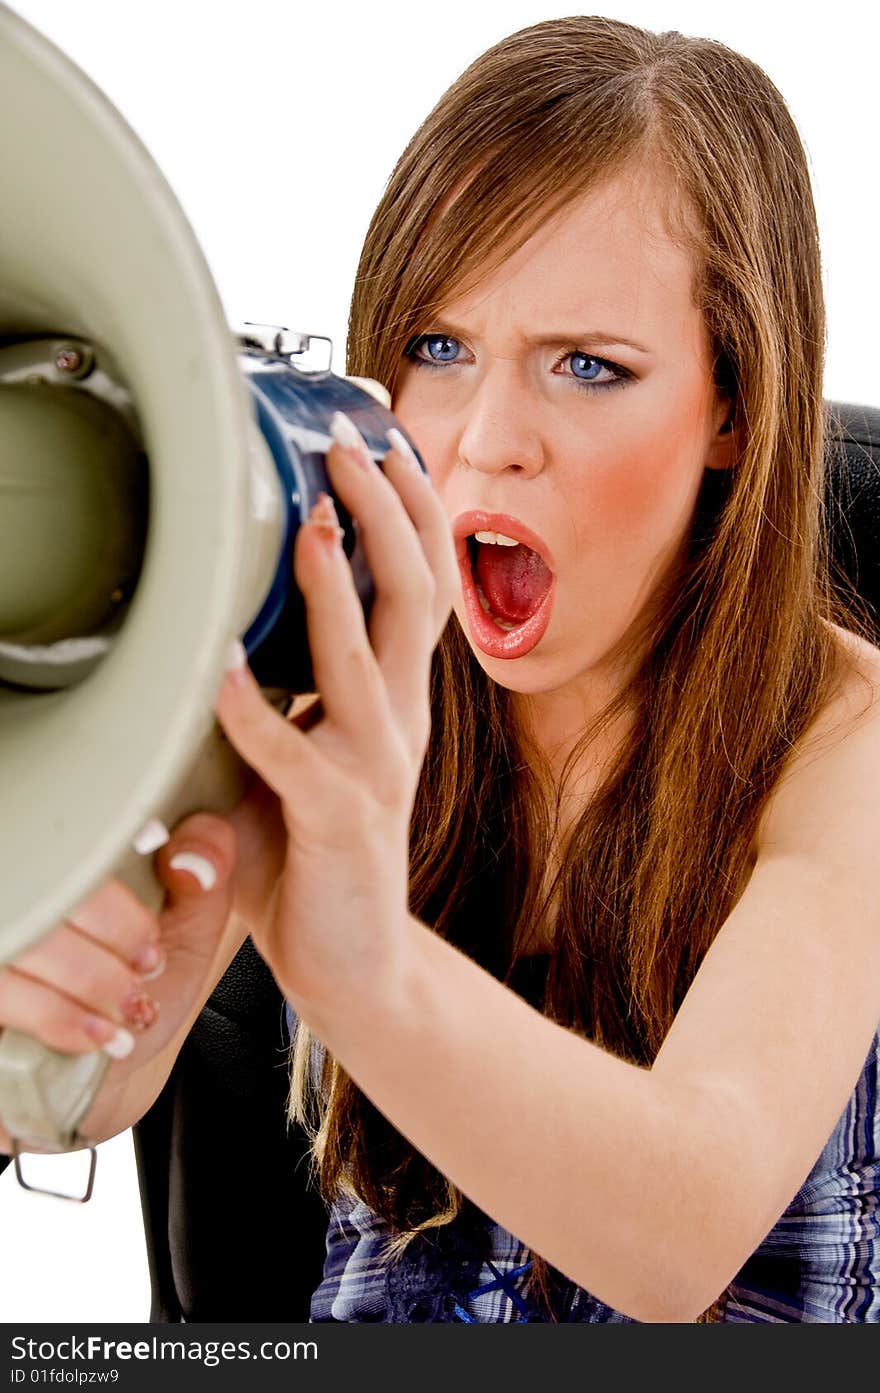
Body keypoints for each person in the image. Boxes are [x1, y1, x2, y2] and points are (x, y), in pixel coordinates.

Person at [2, 15, 879, 1323]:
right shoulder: (331, 676)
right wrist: (61, 997)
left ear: (733, 407)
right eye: (439, 348)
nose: (483, 442)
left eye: (589, 367)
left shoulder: (848, 751)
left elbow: (678, 1232)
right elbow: (101, 1092)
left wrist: (358, 965)